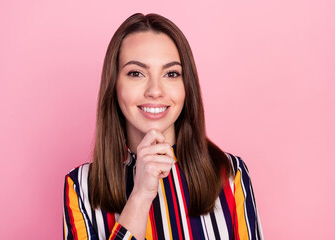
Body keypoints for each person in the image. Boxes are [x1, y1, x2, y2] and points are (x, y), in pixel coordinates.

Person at [63, 13, 263, 240]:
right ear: (114, 85)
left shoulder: (229, 172)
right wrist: (139, 196)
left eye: (171, 73)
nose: (155, 91)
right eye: (136, 73)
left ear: (186, 86)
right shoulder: (81, 186)